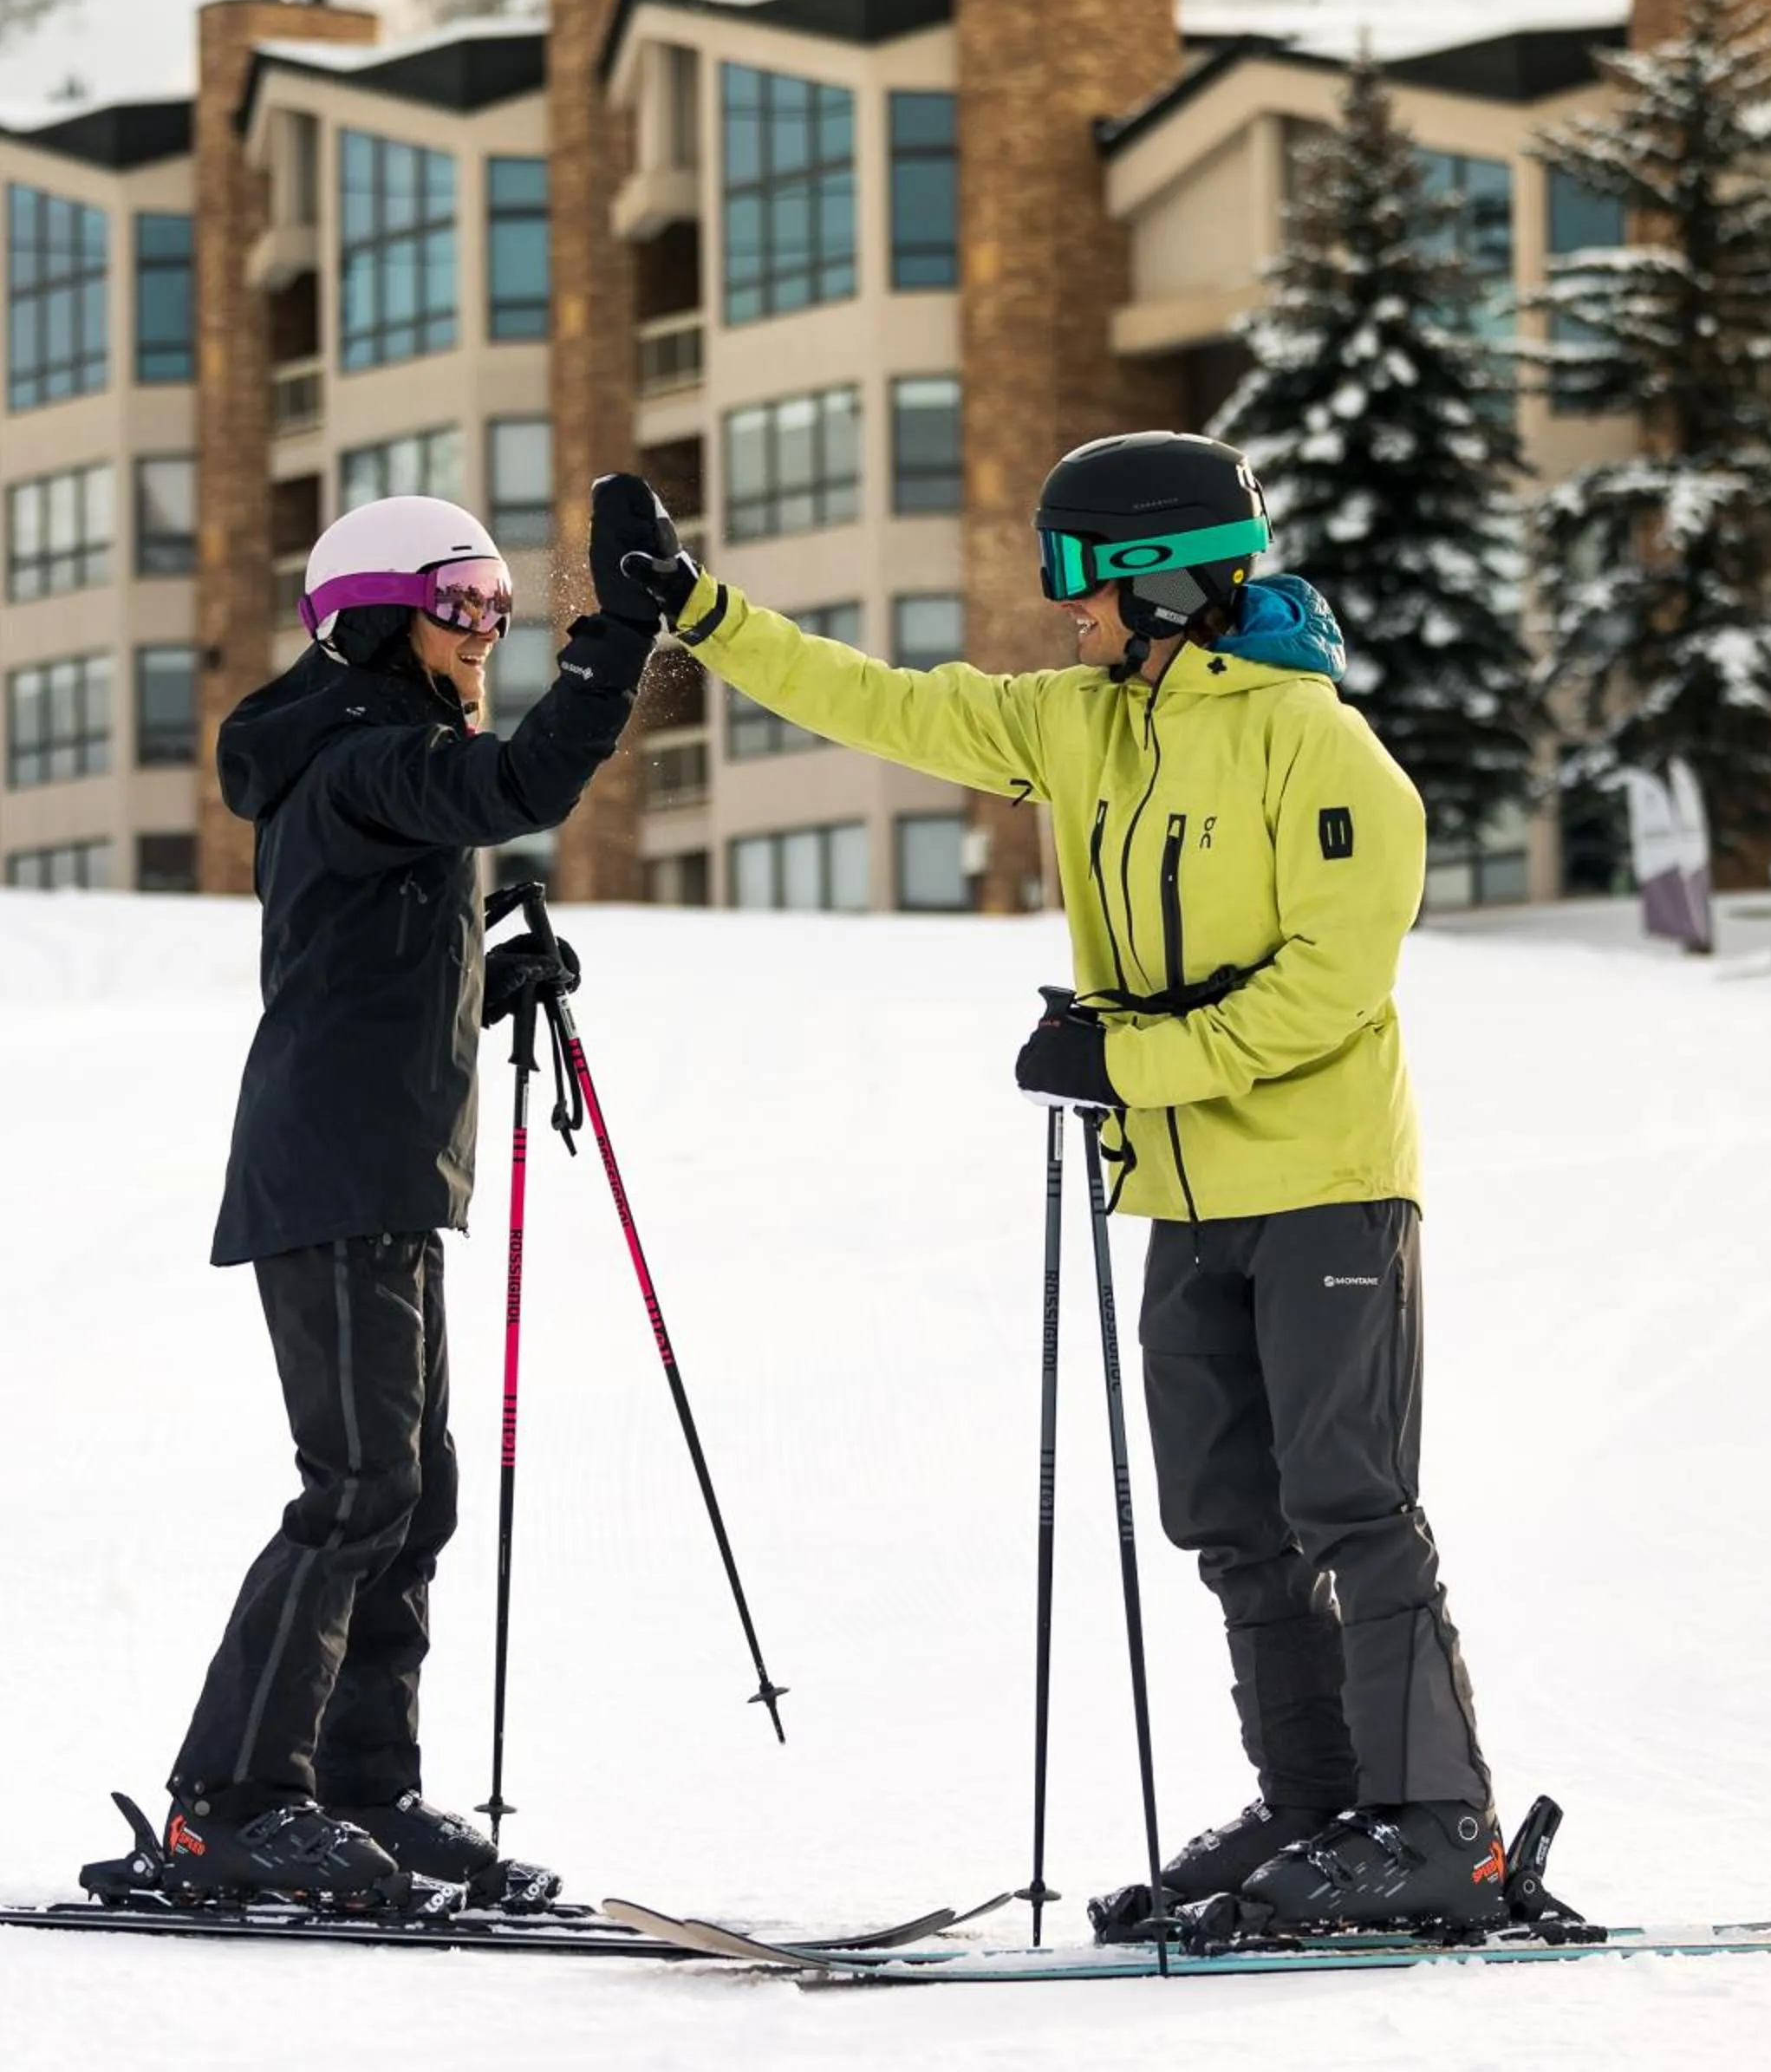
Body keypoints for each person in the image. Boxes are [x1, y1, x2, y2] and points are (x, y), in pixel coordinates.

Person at [587, 440, 1501, 1932]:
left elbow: (1327, 993)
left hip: (1328, 1183)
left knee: (1351, 1504)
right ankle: (1317, 1804)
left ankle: (1435, 1830)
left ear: (1167, 580)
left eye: (1079, 573)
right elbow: (883, 704)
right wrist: (701, 610)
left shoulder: (1323, 751)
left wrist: (1123, 1060)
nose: (1058, 606)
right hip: (1183, 1197)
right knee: (1227, 1517)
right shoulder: (1083, 727)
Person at [160, 493, 648, 1906]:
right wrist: (614, 646)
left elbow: (365, 985)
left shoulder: (372, 759)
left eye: (502, 605)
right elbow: (520, 793)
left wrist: (496, 984)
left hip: (375, 1169)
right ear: (376, 618)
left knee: (410, 1496)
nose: (489, 629)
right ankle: (232, 1805)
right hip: (333, 1175)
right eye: (464, 604)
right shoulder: (366, 756)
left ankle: (367, 1794)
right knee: (359, 1488)